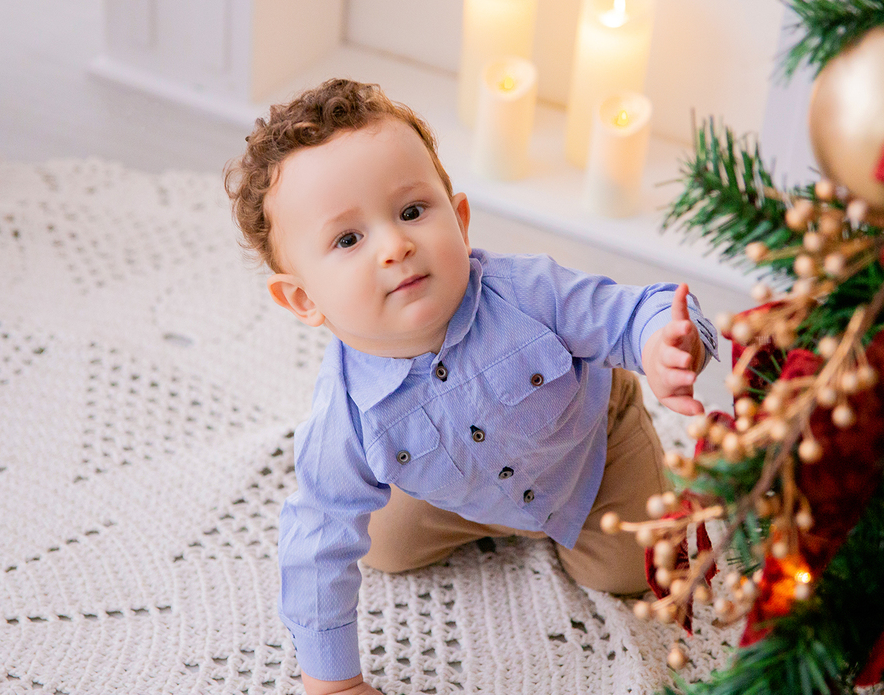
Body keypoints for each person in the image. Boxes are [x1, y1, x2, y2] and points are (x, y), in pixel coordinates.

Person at [224, 79, 719, 695]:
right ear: (302, 299)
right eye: (348, 240)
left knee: (634, 571)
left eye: (411, 212)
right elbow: (316, 545)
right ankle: (485, 518)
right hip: (455, 488)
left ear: (457, 220)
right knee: (383, 549)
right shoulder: (345, 418)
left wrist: (662, 344)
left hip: (586, 451)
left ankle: (624, 434)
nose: (396, 245)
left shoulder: (526, 293)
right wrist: (334, 683)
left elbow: (632, 308)